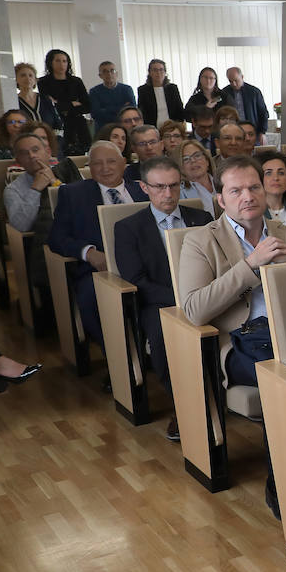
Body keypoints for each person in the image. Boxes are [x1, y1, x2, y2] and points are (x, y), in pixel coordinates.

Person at [179, 156, 286, 516]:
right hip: (242, 343)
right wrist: (250, 266)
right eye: (236, 190)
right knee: (285, 377)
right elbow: (193, 309)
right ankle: (285, 484)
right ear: (221, 199)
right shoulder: (200, 241)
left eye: (254, 187)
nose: (248, 196)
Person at [113, 156, 213, 441]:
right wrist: (182, 298)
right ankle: (182, 406)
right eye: (159, 187)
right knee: (160, 337)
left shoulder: (202, 219)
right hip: (158, 302)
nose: (167, 194)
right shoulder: (128, 227)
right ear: (144, 187)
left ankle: (216, 394)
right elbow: (136, 279)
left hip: (204, 296)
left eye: (173, 186)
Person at [47, 141, 148, 346]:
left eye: (111, 161)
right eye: (97, 163)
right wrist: (88, 252)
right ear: (89, 167)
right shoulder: (72, 194)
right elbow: (57, 238)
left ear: (124, 163)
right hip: (100, 271)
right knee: (91, 299)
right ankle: (118, 359)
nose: (105, 168)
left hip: (145, 266)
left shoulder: (142, 190)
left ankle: (153, 350)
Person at [2, 132, 60, 306]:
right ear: (18, 160)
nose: (32, 156)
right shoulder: (13, 190)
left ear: (47, 152)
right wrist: (35, 189)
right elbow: (20, 225)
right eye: (24, 153)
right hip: (39, 248)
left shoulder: (66, 174)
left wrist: (55, 183)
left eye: (36, 150)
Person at [36, 48, 90, 154]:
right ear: (50, 63)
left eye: (64, 61)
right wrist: (72, 104)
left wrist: (60, 105)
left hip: (77, 124)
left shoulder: (76, 81)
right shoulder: (43, 82)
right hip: (56, 126)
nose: (62, 64)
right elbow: (49, 107)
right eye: (58, 61)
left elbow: (87, 106)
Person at [88, 61, 136, 132]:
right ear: (100, 75)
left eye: (112, 71)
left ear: (116, 73)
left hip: (125, 128)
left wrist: (106, 109)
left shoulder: (127, 89)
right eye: (105, 71)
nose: (109, 74)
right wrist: (122, 108)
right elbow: (96, 114)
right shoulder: (94, 91)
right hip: (103, 129)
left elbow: (132, 109)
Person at [224, 67, 269, 142]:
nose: (234, 84)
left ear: (242, 77)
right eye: (230, 81)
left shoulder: (254, 92)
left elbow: (263, 113)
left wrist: (262, 132)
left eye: (236, 80)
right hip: (233, 132)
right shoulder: (225, 93)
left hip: (253, 132)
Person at [14, 62, 61, 133]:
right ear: (16, 79)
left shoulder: (45, 99)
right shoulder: (14, 102)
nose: (27, 78)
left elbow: (58, 124)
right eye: (23, 75)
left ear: (35, 80)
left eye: (30, 75)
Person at [137, 58, 184, 128]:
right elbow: (142, 112)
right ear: (150, 73)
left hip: (171, 127)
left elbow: (179, 109)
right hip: (152, 127)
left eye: (161, 70)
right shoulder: (143, 90)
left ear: (165, 72)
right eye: (155, 70)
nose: (158, 73)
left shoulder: (172, 88)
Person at [179, 141, 218, 212]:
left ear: (207, 160)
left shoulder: (224, 181)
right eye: (186, 159)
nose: (193, 161)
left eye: (197, 156)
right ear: (181, 167)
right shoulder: (179, 192)